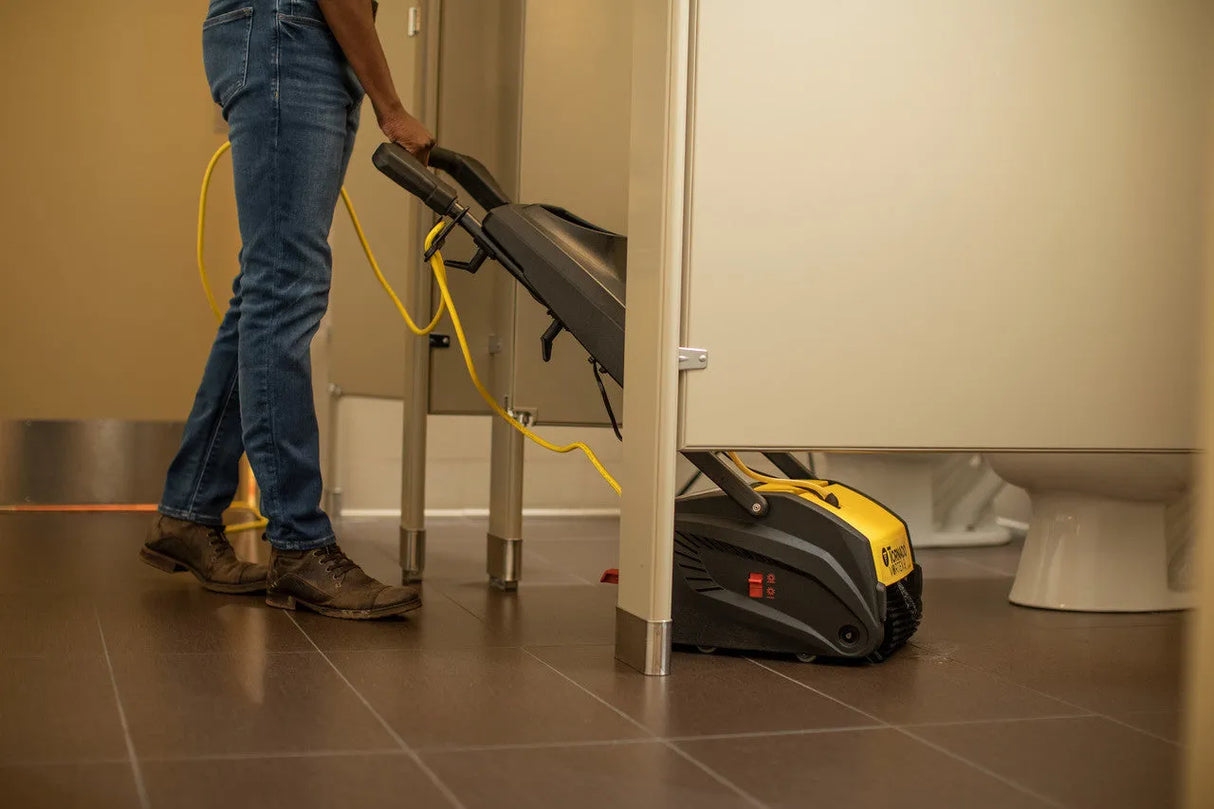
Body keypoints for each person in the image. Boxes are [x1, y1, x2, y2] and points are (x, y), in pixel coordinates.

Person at [139, 0, 434, 619]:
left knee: (264, 293)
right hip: (287, 38)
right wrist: (391, 106)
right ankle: (301, 547)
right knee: (283, 291)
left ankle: (189, 512)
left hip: (286, 38)